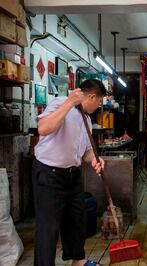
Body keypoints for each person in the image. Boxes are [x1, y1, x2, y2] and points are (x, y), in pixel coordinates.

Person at [32, 79, 106, 266]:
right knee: (48, 227)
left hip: (72, 175)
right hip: (50, 174)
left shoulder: (87, 119)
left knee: (76, 220)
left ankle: (78, 261)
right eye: (99, 102)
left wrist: (95, 159)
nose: (99, 106)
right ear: (91, 97)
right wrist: (69, 103)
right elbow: (43, 128)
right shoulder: (60, 103)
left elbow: (87, 151)